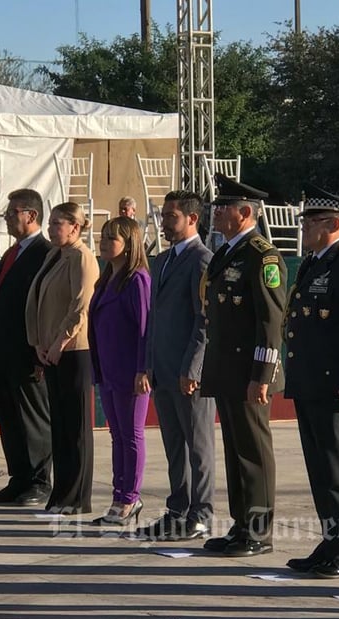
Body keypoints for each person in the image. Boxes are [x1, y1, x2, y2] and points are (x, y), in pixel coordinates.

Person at [283, 192, 339, 579]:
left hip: (336, 387)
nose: (303, 227)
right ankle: (330, 541)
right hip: (310, 382)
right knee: (320, 469)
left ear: (333, 225)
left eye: (311, 222)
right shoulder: (312, 264)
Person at [200, 175, 287, 557]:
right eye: (216, 206)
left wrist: (262, 376)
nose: (216, 213)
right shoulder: (226, 252)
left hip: (249, 372)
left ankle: (258, 530)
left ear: (245, 213)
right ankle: (240, 525)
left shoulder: (261, 255)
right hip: (226, 367)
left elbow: (270, 321)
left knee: (253, 450)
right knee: (236, 451)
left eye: (224, 207)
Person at [135, 190, 216, 541]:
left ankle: (201, 513)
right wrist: (148, 363)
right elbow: (154, 319)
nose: (165, 222)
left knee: (198, 445)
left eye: (172, 216)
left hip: (188, 372)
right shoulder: (163, 259)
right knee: (173, 444)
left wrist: (193, 369)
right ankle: (177, 508)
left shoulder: (201, 260)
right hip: (163, 369)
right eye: (164, 215)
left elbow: (204, 322)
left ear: (192, 219)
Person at [0, 189, 53, 507]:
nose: (8, 219)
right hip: (4, 352)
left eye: (12, 213)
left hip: (27, 353)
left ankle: (39, 481)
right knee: (10, 418)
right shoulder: (13, 253)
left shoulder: (44, 253)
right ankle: (19, 477)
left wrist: (40, 350)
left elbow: (45, 306)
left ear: (31, 215)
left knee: (32, 418)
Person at [25, 201, 99, 515]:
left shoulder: (82, 257)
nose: (52, 228)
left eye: (58, 223)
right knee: (61, 427)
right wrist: (39, 344)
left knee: (77, 428)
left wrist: (60, 342)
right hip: (51, 351)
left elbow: (80, 307)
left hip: (74, 351)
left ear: (76, 227)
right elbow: (39, 301)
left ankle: (77, 498)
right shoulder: (55, 255)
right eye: (51, 222)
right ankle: (61, 495)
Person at [89, 216, 151, 526]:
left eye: (110, 239)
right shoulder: (105, 278)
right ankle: (118, 494)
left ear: (128, 245)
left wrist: (143, 369)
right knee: (117, 436)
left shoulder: (137, 280)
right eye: (102, 237)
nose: (102, 244)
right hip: (108, 369)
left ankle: (130, 497)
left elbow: (144, 330)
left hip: (130, 371)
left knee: (131, 436)